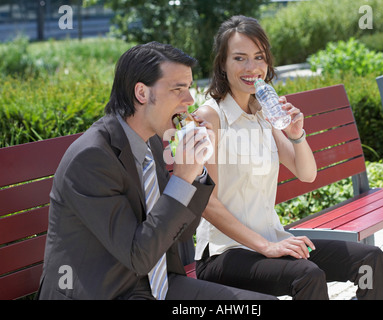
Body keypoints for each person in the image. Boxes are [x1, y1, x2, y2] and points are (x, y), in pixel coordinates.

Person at [37, 42, 276, 300]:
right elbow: (138, 256)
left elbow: (182, 233)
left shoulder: (151, 141)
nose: (190, 100)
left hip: (156, 284)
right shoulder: (91, 159)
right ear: (141, 93)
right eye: (178, 89)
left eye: (189, 87)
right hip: (108, 292)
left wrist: (195, 174)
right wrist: (182, 177)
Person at [194, 15, 383, 300]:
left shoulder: (262, 112)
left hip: (272, 241)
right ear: (222, 65)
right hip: (224, 254)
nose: (252, 68)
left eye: (259, 57)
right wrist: (266, 247)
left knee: (369, 258)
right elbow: (207, 203)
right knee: (307, 275)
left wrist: (297, 134)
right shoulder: (211, 117)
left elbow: (306, 173)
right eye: (240, 58)